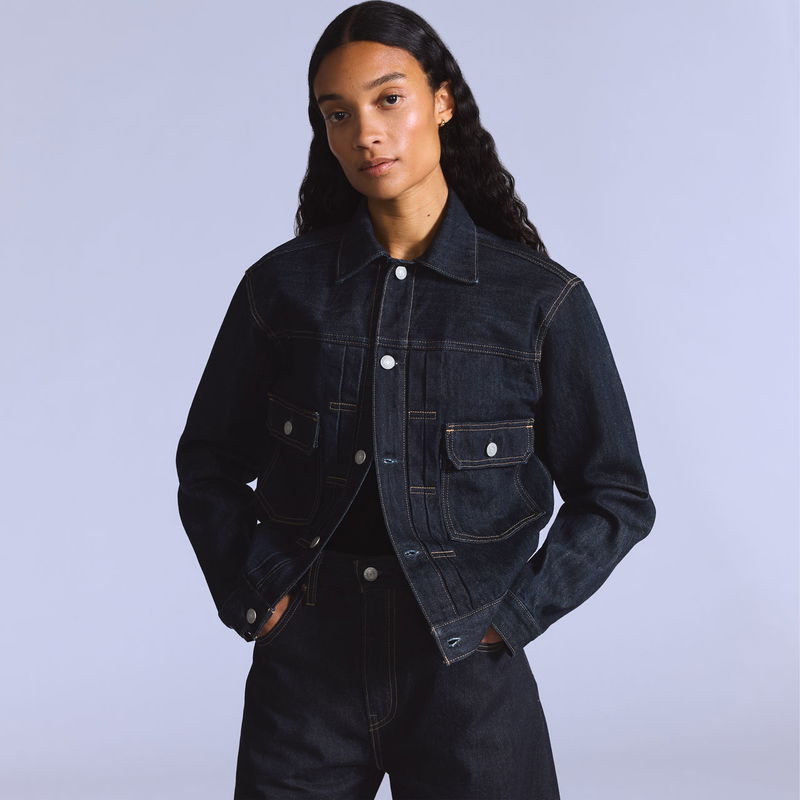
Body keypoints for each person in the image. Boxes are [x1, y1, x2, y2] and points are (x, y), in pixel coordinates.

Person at [175, 2, 657, 797]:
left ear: (442, 101)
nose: (365, 132)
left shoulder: (539, 302)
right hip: (306, 672)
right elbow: (209, 464)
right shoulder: (281, 290)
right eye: (338, 114)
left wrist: (513, 618)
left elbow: (616, 496)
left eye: (388, 98)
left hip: (469, 674)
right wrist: (262, 594)